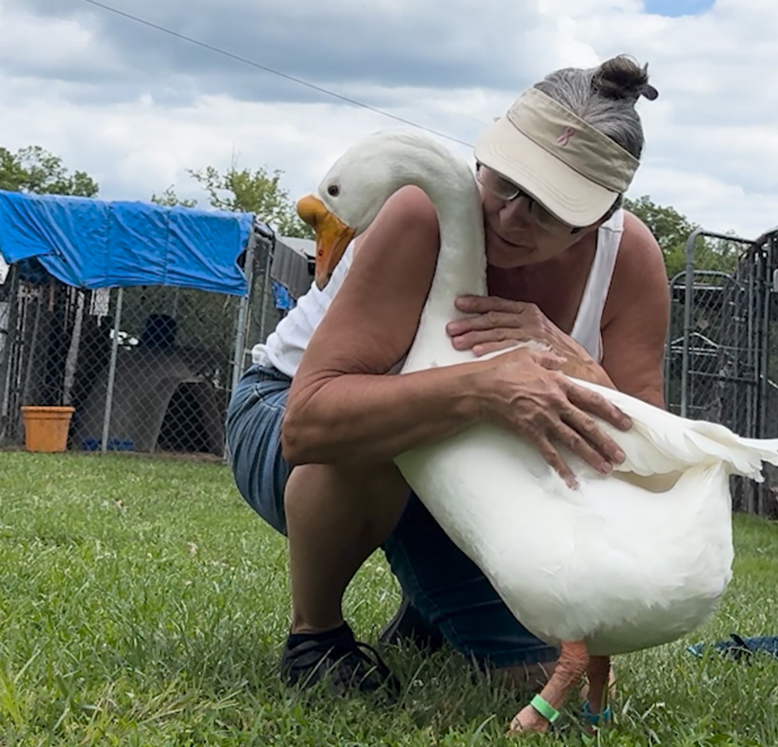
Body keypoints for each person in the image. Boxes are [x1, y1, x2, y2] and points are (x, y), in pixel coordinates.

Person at [225, 54, 671, 698]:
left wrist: (578, 365)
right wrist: (485, 388)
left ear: (601, 216)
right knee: (387, 431)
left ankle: (429, 608)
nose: (511, 217)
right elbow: (311, 424)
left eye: (548, 208)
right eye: (504, 182)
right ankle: (314, 638)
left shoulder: (628, 258)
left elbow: (640, 454)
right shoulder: (421, 213)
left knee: (531, 682)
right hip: (292, 424)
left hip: (454, 454)